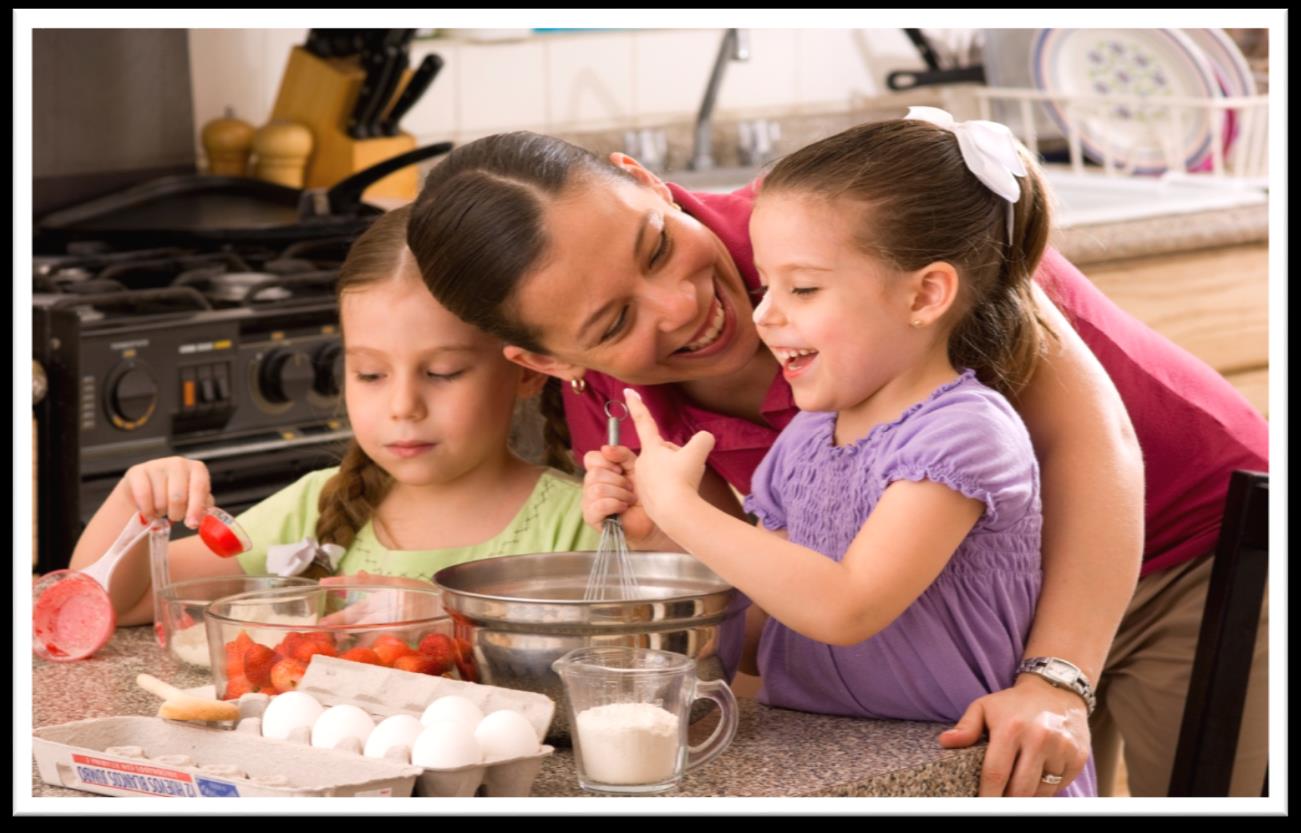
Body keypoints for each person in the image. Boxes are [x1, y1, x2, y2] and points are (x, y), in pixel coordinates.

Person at [406, 126, 1268, 797]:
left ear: (643, 179)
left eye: (657, 246)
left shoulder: (850, 223)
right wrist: (659, 521)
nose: (682, 306)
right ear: (549, 363)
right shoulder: (615, 404)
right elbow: (755, 572)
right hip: (972, 616)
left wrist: (1055, 678)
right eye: (611, 324)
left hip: (1187, 548)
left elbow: (1088, 446)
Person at [585, 109, 1094, 796]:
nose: (765, 315)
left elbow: (845, 607)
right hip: (834, 764)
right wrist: (662, 548)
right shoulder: (805, 440)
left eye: (802, 288)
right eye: (766, 285)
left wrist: (683, 508)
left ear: (924, 294)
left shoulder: (962, 436)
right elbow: (771, 638)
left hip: (968, 773)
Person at [67, 204, 600, 624]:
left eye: (442, 373)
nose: (402, 406)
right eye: (370, 375)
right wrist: (134, 502)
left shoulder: (580, 527)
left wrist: (449, 617)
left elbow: (618, 677)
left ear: (527, 369)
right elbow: (108, 603)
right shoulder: (314, 507)